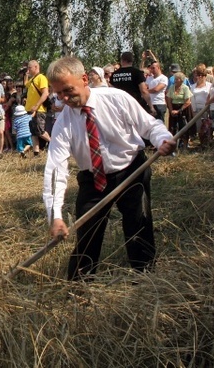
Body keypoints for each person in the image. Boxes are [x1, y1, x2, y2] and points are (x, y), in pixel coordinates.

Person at [43, 57, 176, 279]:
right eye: (59, 94)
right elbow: (56, 169)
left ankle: (145, 279)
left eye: (68, 90)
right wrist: (55, 215)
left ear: (85, 79)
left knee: (138, 225)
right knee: (87, 233)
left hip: (131, 171)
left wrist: (163, 139)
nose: (65, 99)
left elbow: (150, 125)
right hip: (93, 179)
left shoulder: (116, 98)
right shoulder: (63, 123)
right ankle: (80, 286)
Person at [24, 60, 52, 155]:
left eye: (29, 68)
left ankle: (53, 143)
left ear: (36, 67)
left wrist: (36, 106)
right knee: (34, 132)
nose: (28, 69)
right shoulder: (33, 79)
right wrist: (26, 75)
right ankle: (36, 153)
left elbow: (45, 93)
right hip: (31, 110)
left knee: (40, 131)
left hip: (38, 110)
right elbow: (26, 84)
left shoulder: (41, 78)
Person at [166, 72, 193, 151]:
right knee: (172, 128)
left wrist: (179, 110)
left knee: (184, 128)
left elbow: (188, 101)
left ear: (181, 80)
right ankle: (173, 148)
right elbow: (169, 99)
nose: (175, 80)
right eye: (175, 79)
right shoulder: (172, 87)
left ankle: (184, 147)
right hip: (173, 108)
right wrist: (171, 110)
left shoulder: (185, 88)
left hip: (183, 109)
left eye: (177, 79)